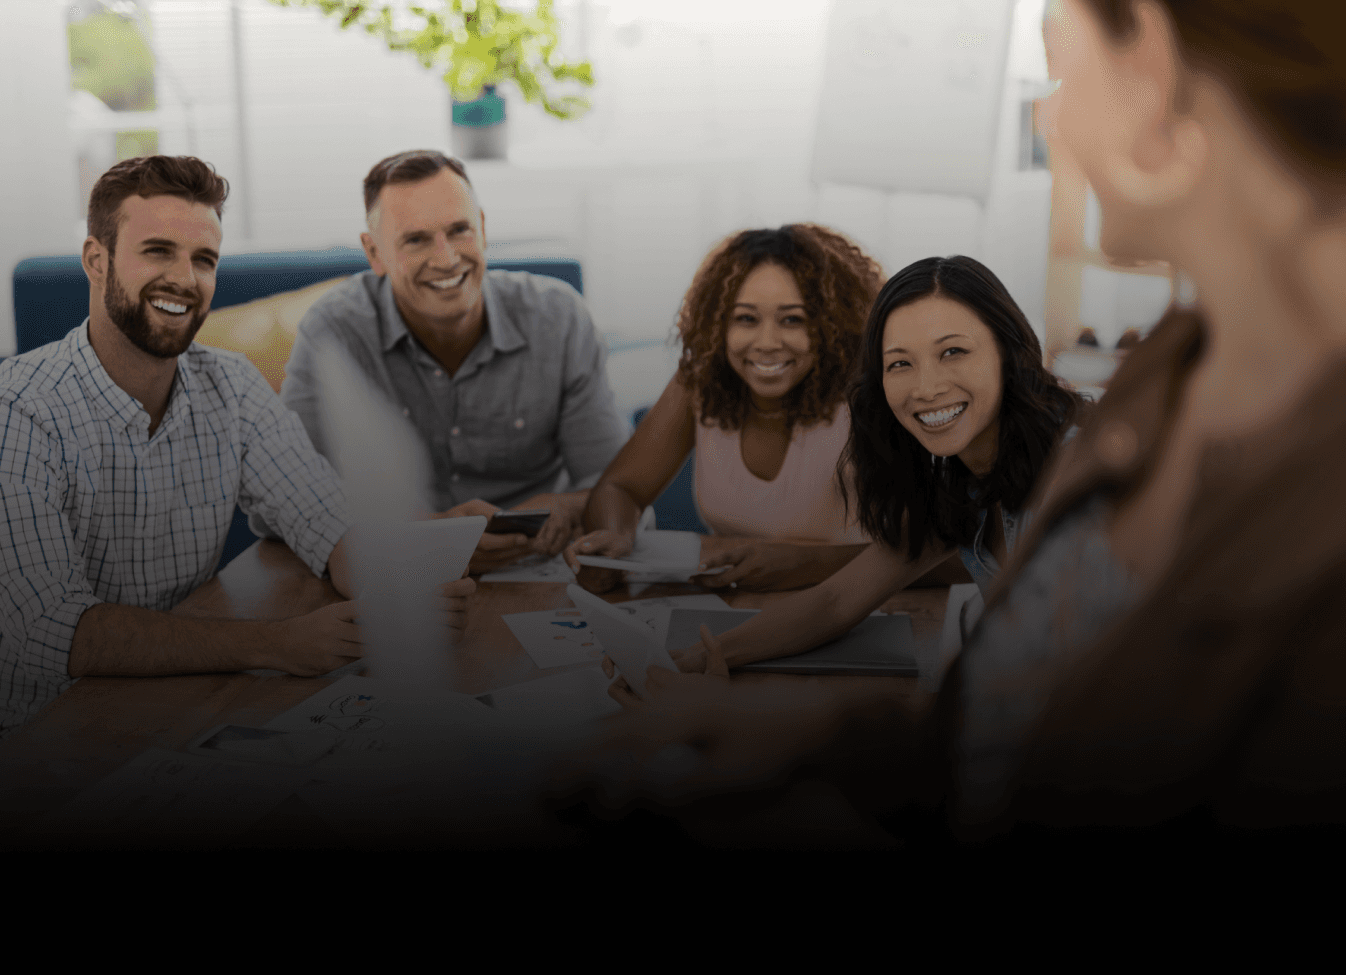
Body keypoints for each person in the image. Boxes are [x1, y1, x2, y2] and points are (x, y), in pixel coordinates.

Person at [554, 0, 1346, 839]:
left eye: (1058, 72)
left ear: (1147, 59)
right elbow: (1028, 719)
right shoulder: (1166, 377)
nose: (1047, 115)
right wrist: (813, 735)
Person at [0, 156, 471, 769]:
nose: (184, 280)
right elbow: (57, 630)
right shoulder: (10, 411)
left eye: (203, 260)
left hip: (172, 707)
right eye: (158, 252)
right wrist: (277, 645)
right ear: (96, 260)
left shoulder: (232, 386)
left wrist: (397, 593)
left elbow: (325, 518)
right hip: (29, 743)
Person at [625, 255, 1082, 676]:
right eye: (900, 363)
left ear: (1008, 350)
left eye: (953, 352)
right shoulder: (959, 477)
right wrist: (702, 658)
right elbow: (835, 602)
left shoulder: (1077, 469)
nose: (925, 387)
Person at [281, 150, 629, 574]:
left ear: (482, 228)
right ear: (374, 253)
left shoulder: (559, 319)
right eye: (416, 239)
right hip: (396, 575)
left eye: (459, 230)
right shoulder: (332, 332)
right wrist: (433, 535)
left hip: (539, 571)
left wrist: (563, 507)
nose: (446, 259)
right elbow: (291, 499)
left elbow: (619, 487)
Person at [565, 225, 883, 595]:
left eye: (793, 319)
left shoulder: (871, 394)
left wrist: (806, 564)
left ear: (833, 325)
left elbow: (946, 558)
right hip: (732, 609)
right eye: (746, 319)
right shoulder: (700, 382)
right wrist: (615, 537)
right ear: (718, 324)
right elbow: (620, 487)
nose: (766, 343)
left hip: (860, 611)